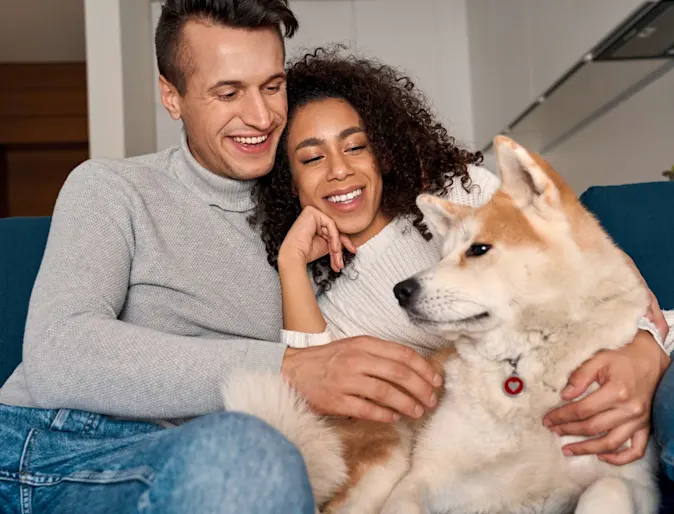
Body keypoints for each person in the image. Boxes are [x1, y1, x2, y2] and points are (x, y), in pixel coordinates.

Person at [0, 1, 435, 512]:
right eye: (228, 92)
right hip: (61, 444)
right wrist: (288, 369)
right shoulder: (114, 188)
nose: (261, 117)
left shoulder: (316, 202)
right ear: (171, 96)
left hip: (233, 461)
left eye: (273, 87)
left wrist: (546, 381)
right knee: (250, 455)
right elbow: (60, 352)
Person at [251, 47, 674, 464]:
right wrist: (291, 263)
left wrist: (644, 350)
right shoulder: (332, 307)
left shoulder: (456, 192)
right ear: (291, 182)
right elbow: (315, 401)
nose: (339, 169)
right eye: (312, 157)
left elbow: (585, 254)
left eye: (356, 147)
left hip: (624, 349)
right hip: (532, 415)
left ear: (382, 152)